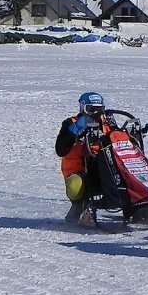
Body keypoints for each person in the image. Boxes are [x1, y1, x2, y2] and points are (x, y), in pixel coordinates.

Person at [55, 92, 111, 223]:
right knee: (76, 187)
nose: (96, 114)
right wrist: (73, 131)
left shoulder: (106, 124)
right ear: (83, 108)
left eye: (100, 110)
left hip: (103, 167)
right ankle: (79, 208)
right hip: (78, 172)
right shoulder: (71, 123)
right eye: (91, 110)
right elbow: (60, 150)